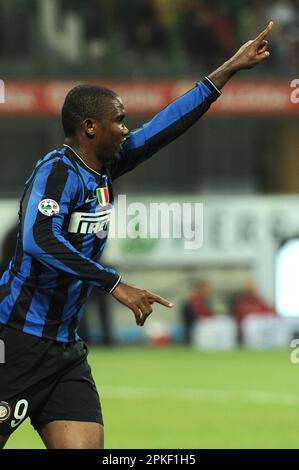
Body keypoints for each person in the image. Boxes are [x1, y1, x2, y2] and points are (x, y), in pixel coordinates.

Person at [0, 21, 274, 449]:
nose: (127, 129)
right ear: (90, 127)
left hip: (64, 350)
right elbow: (38, 239)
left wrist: (229, 69)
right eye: (119, 121)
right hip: (13, 339)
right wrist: (114, 284)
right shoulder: (56, 172)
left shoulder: (107, 167)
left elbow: (167, 124)